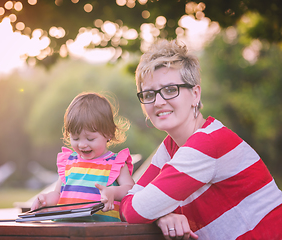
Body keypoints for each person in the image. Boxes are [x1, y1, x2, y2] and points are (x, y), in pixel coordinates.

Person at [119, 39, 282, 240]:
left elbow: (135, 209)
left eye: (170, 90)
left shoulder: (207, 143)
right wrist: (162, 216)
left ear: (195, 94)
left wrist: (151, 211)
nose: (159, 102)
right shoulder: (171, 147)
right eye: (149, 94)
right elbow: (128, 203)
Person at [31, 92, 135, 222]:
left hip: (103, 232)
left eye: (90, 138)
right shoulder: (69, 163)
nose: (82, 144)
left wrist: (113, 192)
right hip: (66, 230)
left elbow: (131, 190)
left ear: (108, 133)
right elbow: (58, 194)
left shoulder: (115, 164)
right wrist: (45, 200)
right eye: (75, 138)